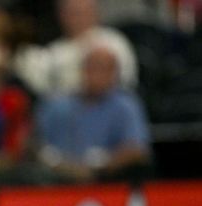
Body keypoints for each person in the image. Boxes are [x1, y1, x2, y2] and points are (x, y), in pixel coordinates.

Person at [35, 40, 152, 184]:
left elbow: (137, 150)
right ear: (82, 70)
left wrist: (102, 165)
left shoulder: (126, 105)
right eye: (92, 68)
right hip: (56, 179)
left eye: (104, 69)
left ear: (115, 73)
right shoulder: (56, 105)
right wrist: (64, 167)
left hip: (107, 180)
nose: (96, 75)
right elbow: (35, 145)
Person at [14, 0, 138, 97]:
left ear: (95, 13)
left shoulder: (114, 42)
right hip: (69, 109)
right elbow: (41, 85)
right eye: (72, 13)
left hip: (109, 104)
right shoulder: (56, 51)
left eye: (83, 12)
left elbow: (127, 80)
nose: (78, 18)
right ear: (62, 16)